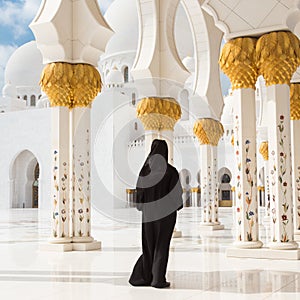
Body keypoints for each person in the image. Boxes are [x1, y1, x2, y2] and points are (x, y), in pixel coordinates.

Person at [129, 139, 183, 288]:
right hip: (166, 216)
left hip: (149, 215)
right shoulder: (171, 171)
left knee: (149, 244)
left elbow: (139, 194)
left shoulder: (145, 171)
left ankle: (145, 276)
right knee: (162, 245)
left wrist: (143, 207)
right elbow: (176, 195)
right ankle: (158, 279)